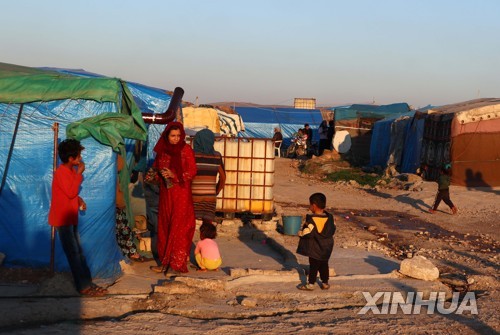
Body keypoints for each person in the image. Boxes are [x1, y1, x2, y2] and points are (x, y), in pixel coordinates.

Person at [48, 139, 108, 297]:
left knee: (79, 253)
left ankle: (87, 282)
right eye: (78, 156)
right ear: (70, 159)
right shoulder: (62, 172)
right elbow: (70, 192)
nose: (80, 158)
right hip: (63, 220)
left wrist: (79, 200)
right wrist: (79, 173)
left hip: (70, 218)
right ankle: (83, 287)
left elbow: (69, 193)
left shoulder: (68, 172)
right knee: (74, 254)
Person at [145, 122, 197, 274]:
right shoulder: (163, 151)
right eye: (172, 136)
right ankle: (165, 262)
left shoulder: (186, 150)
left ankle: (177, 263)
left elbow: (192, 170)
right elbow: (155, 168)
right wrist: (156, 173)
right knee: (165, 226)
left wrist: (175, 175)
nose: (175, 139)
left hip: (181, 193)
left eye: (178, 136)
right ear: (167, 136)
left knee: (179, 227)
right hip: (166, 194)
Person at [296, 192, 336, 291]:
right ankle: (325, 283)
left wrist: (299, 233)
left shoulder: (312, 220)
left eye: (310, 205)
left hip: (315, 248)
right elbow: (333, 229)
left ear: (314, 205)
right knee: (324, 264)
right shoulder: (330, 218)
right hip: (327, 247)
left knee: (313, 266)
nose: (309, 207)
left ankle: (311, 284)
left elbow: (307, 232)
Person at [115, 154, 145, 262]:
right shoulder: (112, 174)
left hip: (115, 206)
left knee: (121, 229)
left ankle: (129, 251)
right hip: (116, 207)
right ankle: (132, 252)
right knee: (124, 229)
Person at [192, 129, 226, 221]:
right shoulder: (217, 156)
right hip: (210, 197)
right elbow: (223, 177)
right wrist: (216, 191)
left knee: (191, 224)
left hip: (193, 197)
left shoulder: (191, 155)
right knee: (207, 225)